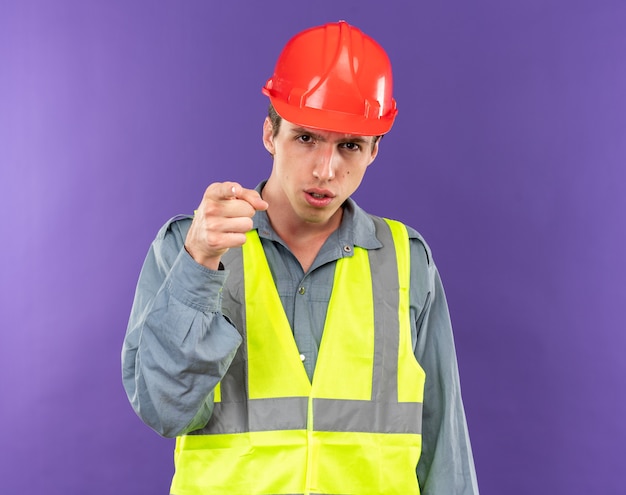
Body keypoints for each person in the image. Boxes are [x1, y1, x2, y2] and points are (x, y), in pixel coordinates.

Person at [122, 20, 479, 495]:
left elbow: (443, 448)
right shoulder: (190, 247)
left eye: (349, 145)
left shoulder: (407, 261)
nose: (325, 169)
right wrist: (199, 263)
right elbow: (164, 409)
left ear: (374, 150)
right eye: (306, 138)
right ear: (271, 133)